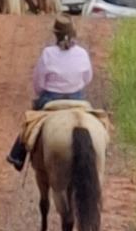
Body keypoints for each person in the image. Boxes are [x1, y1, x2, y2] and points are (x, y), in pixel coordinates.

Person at [6, 15, 92, 171]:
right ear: (73, 33)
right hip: (78, 98)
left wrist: (44, 92)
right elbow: (87, 78)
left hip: (51, 99)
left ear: (55, 34)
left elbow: (38, 83)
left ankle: (17, 155)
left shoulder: (48, 53)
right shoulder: (82, 53)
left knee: (30, 123)